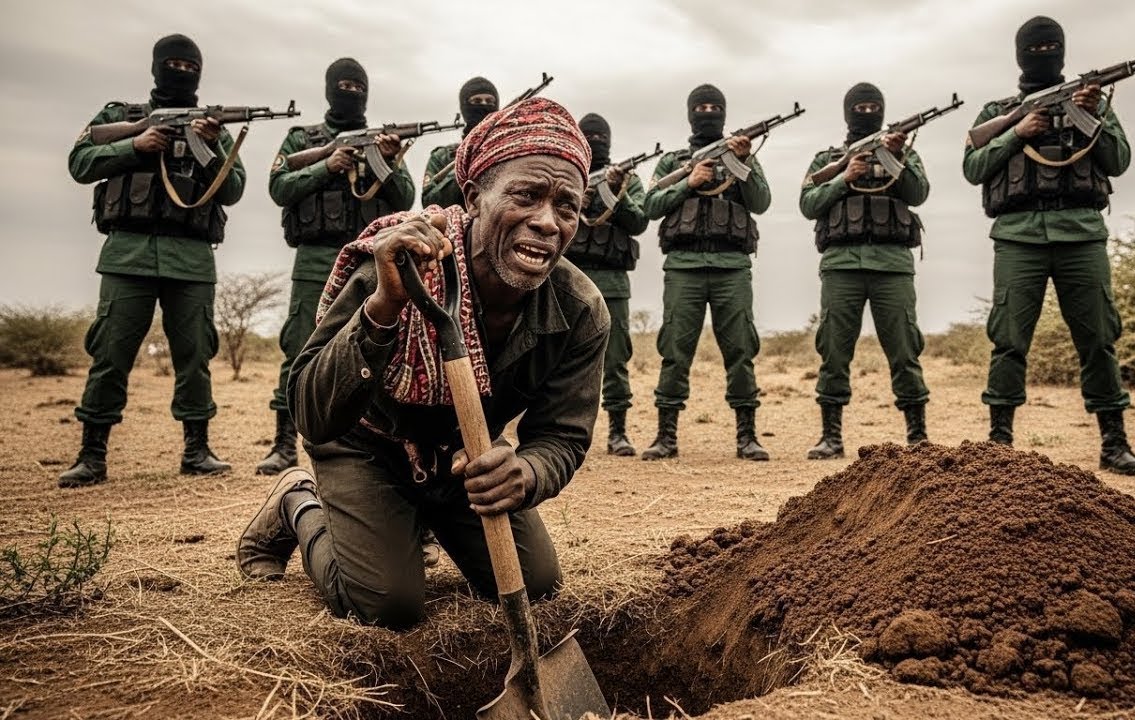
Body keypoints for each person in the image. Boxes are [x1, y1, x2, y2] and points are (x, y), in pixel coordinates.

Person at [237, 97, 608, 630]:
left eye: (566, 207)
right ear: (475, 198)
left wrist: (524, 472)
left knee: (539, 584)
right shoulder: (401, 267)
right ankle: (299, 503)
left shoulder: (580, 309)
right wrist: (383, 309)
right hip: (366, 443)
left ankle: (422, 518)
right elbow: (312, 412)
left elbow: (564, 436)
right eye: (526, 195)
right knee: (388, 606)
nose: (547, 222)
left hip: (462, 457)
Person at [963, 16, 1135, 475]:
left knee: (1099, 338)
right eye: (1036, 47)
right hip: (1017, 236)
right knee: (1007, 339)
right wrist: (1016, 132)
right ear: (1020, 54)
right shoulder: (996, 112)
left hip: (1082, 233)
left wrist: (1091, 114)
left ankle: (1114, 443)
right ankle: (999, 444)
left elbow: (1118, 161)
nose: (1044, 53)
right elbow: (972, 167)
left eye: (1051, 46)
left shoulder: (1092, 102)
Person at [60, 34, 245, 488]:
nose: (181, 72)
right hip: (128, 254)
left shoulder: (210, 127)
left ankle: (197, 450)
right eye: (174, 64)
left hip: (192, 259)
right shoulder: (118, 117)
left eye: (189, 65)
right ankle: (92, 454)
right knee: (109, 353)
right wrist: (136, 147)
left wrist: (213, 144)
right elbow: (80, 162)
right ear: (157, 67)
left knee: (196, 356)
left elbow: (233, 189)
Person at [256, 58, 414, 477]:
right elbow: (278, 187)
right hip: (314, 259)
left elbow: (404, 199)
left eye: (358, 86)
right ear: (329, 89)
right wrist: (327, 165)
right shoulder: (301, 139)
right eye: (343, 85)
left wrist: (387, 160)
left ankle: (374, 445)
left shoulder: (383, 142)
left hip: (372, 259)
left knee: (380, 345)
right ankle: (283, 444)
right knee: (300, 349)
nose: (351, 92)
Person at [798, 83, 931, 459]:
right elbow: (808, 203)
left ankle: (917, 435)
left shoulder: (903, 154)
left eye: (874, 106)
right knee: (835, 350)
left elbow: (918, 194)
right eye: (861, 107)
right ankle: (831, 437)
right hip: (841, 267)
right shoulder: (828, 158)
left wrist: (896, 156)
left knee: (905, 348)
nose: (867, 112)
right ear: (848, 112)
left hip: (893, 266)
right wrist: (844, 176)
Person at [640, 84, 771, 462]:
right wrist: (690, 182)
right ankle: (666, 437)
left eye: (715, 107)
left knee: (741, 349)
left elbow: (762, 202)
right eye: (702, 107)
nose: (708, 112)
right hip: (683, 268)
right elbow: (650, 205)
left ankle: (747, 437)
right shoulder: (673, 162)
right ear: (691, 113)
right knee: (675, 351)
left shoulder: (742, 156)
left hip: (733, 267)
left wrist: (742, 163)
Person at [561, 113, 649, 456]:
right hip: (567, 278)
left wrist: (614, 192)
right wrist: (571, 201)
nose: (597, 143)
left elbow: (639, 220)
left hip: (613, 282)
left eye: (602, 137)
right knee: (554, 360)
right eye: (591, 137)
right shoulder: (566, 176)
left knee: (615, 360)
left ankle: (619, 432)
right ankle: (555, 435)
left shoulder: (627, 180)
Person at [419, 77, 498, 209]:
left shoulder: (508, 151)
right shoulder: (443, 156)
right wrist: (467, 161)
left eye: (489, 101)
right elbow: (430, 203)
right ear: (465, 106)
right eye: (477, 101)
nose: (484, 105)